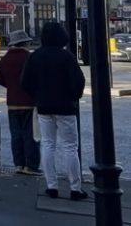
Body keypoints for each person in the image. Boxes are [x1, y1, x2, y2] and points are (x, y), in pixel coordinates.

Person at [20, 21, 87, 200]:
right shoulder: (67, 57)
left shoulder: (35, 56)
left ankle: (51, 186)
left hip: (44, 106)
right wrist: (74, 96)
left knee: (48, 145)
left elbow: (25, 82)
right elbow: (78, 82)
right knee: (70, 147)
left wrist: (38, 95)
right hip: (65, 107)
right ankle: (75, 188)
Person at [0, 29, 41, 176]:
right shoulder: (29, 58)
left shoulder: (5, 59)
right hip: (29, 102)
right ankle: (31, 165)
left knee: (16, 135)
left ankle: (19, 164)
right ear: (25, 43)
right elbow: (36, 78)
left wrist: (11, 86)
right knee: (31, 135)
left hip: (12, 102)